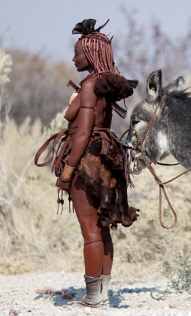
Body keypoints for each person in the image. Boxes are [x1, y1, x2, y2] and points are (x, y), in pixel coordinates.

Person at [35, 19, 139, 307]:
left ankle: (93, 299)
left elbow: (81, 132)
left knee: (91, 230)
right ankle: (101, 294)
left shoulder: (91, 84)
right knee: (103, 228)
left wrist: (67, 172)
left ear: (90, 55)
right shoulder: (106, 83)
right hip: (108, 154)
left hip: (88, 158)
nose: (73, 57)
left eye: (77, 52)